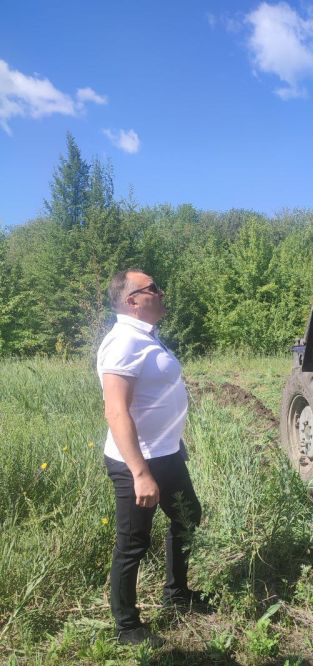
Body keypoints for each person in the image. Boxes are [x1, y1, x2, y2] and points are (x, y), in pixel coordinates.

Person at [97, 269, 204, 646]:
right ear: (132, 301)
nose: (160, 292)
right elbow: (117, 412)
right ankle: (127, 627)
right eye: (152, 288)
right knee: (132, 542)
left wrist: (174, 441)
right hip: (136, 462)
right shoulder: (123, 343)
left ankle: (177, 595)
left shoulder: (147, 337)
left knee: (188, 515)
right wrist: (140, 473)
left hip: (166, 453)